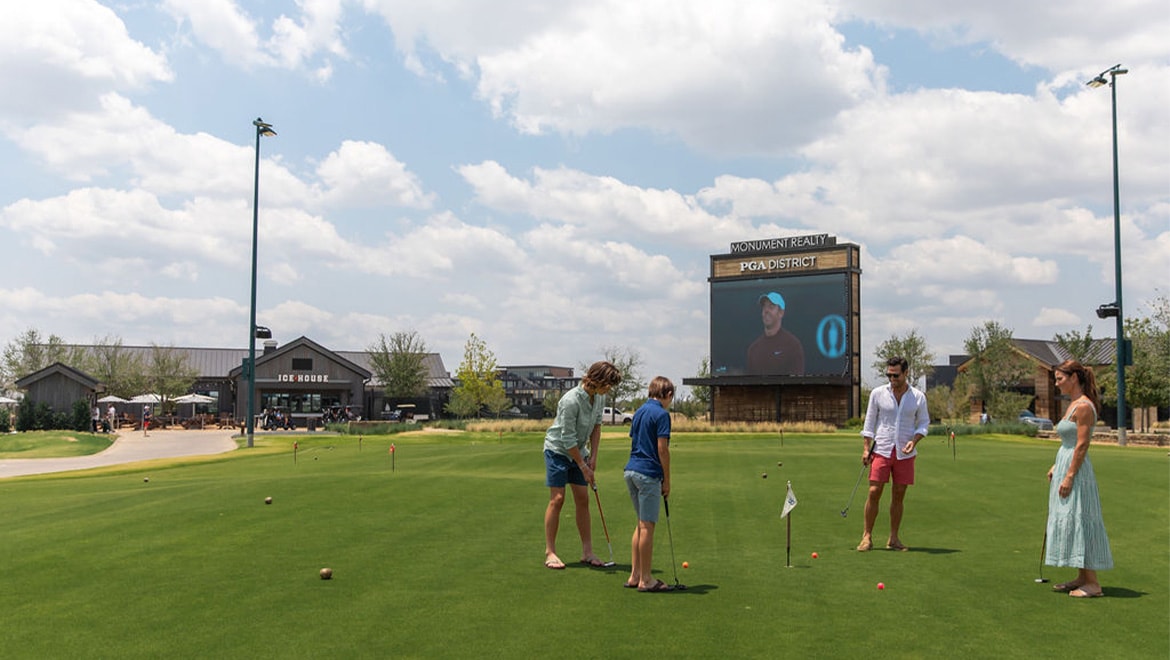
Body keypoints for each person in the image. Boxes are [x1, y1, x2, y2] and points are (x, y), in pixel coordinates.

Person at [542, 360, 623, 570]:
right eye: (608, 384)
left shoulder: (599, 397)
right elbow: (567, 439)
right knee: (558, 499)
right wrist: (583, 466)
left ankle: (587, 552)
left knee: (583, 498)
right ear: (598, 380)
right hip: (558, 451)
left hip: (580, 451)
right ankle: (550, 552)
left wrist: (593, 458)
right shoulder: (570, 401)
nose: (609, 389)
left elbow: (597, 427)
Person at [1046, 359, 1112, 598]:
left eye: (1060, 378)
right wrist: (1057, 466)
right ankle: (1082, 576)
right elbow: (1070, 441)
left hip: (1077, 471)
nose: (1056, 383)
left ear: (1074, 378)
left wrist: (1070, 475)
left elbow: (1082, 444)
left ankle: (1093, 583)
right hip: (1066, 465)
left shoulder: (1083, 406)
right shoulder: (1072, 404)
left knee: (1080, 518)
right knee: (1071, 517)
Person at [857, 356, 929, 552]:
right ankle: (867, 536)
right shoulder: (878, 394)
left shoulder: (918, 397)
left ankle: (894, 538)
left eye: (896, 375)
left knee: (898, 495)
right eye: (889, 374)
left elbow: (923, 423)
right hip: (881, 449)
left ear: (906, 373)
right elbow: (869, 422)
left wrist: (914, 442)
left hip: (905, 453)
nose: (892, 378)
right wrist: (866, 448)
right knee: (874, 492)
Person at [623, 376, 675, 592]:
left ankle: (635, 575)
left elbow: (634, 440)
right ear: (668, 395)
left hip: (631, 471)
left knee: (640, 524)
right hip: (648, 474)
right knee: (647, 526)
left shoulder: (639, 412)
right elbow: (662, 449)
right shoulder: (662, 414)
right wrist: (667, 480)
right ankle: (646, 579)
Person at [746, 292, 805, 375]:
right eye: (764, 307)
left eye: (771, 307)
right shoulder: (754, 349)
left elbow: (797, 382)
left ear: (781, 313)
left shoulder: (792, 345)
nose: (766, 311)